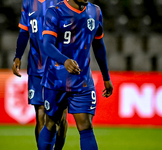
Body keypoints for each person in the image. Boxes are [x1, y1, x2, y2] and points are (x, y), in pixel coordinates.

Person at [38, 0, 113, 149]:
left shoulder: (95, 12)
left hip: (82, 81)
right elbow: (47, 44)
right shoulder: (55, 12)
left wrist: (106, 77)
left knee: (86, 125)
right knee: (51, 123)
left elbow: (98, 45)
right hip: (55, 80)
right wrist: (65, 61)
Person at [12, 0, 68, 149]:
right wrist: (18, 56)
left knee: (61, 116)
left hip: (58, 67)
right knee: (40, 114)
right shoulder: (28, 3)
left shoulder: (61, 2)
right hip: (36, 66)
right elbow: (24, 32)